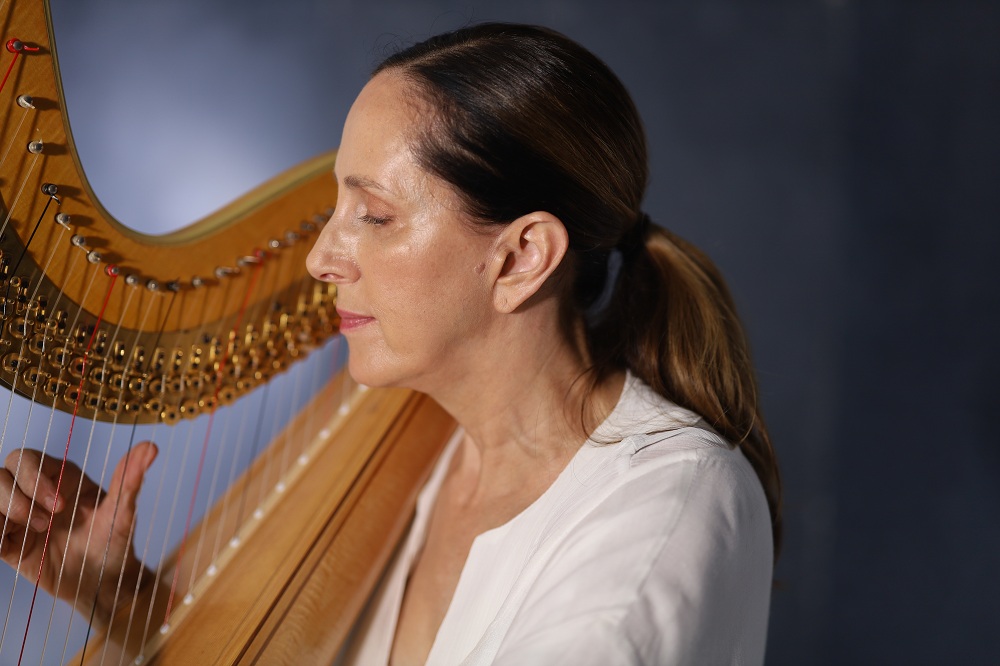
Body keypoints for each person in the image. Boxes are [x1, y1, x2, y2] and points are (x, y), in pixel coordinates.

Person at [1, 22, 781, 665]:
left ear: (520, 258)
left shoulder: (663, 514)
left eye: (372, 216)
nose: (317, 259)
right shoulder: (436, 433)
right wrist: (121, 599)